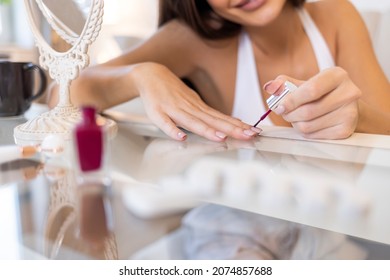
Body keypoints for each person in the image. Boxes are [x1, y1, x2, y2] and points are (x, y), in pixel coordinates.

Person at [48, 0, 390, 142]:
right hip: (236, 229)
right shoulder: (192, 40)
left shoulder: (336, 15)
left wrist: (356, 116)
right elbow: (61, 94)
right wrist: (142, 75)